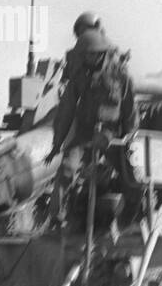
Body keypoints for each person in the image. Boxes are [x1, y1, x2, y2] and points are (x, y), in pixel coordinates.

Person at [45, 27, 137, 224]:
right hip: (86, 134)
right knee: (67, 169)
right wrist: (57, 144)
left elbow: (130, 109)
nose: (89, 58)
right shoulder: (79, 77)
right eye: (86, 54)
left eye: (93, 54)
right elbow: (66, 111)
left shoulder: (121, 76)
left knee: (131, 175)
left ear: (102, 54)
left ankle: (132, 215)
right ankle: (57, 218)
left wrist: (130, 137)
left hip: (113, 135)